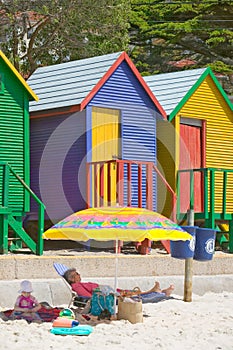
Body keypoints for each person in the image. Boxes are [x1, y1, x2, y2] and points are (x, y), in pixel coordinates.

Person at [63, 268, 174, 298]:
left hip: (105, 291)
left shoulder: (79, 284)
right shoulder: (77, 286)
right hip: (104, 295)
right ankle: (156, 292)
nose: (79, 275)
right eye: (77, 273)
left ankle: (162, 292)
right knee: (130, 295)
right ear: (72, 278)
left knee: (129, 292)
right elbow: (87, 296)